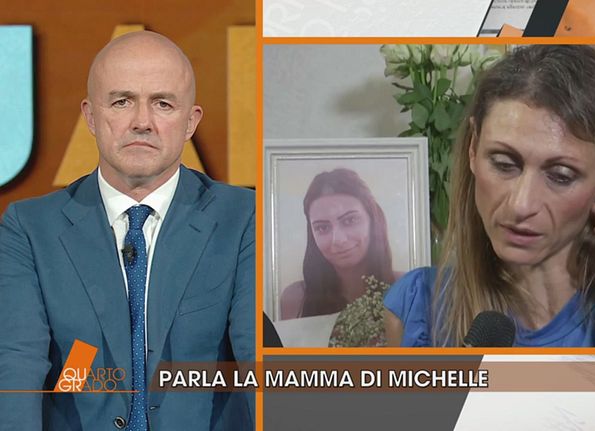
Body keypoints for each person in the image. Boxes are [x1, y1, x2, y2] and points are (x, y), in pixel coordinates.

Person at [384, 45, 595, 348]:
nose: (521, 205)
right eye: (503, 164)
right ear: (473, 148)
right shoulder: (417, 306)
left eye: (560, 176)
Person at [0, 31, 255, 429]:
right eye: (122, 101)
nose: (142, 122)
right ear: (90, 116)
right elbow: (18, 366)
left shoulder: (242, 217)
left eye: (163, 104)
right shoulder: (30, 228)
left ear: (191, 121)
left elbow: (257, 356)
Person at [280, 168, 400, 319]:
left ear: (373, 220)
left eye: (350, 220)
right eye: (322, 227)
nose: (339, 239)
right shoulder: (295, 299)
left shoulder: (409, 289)